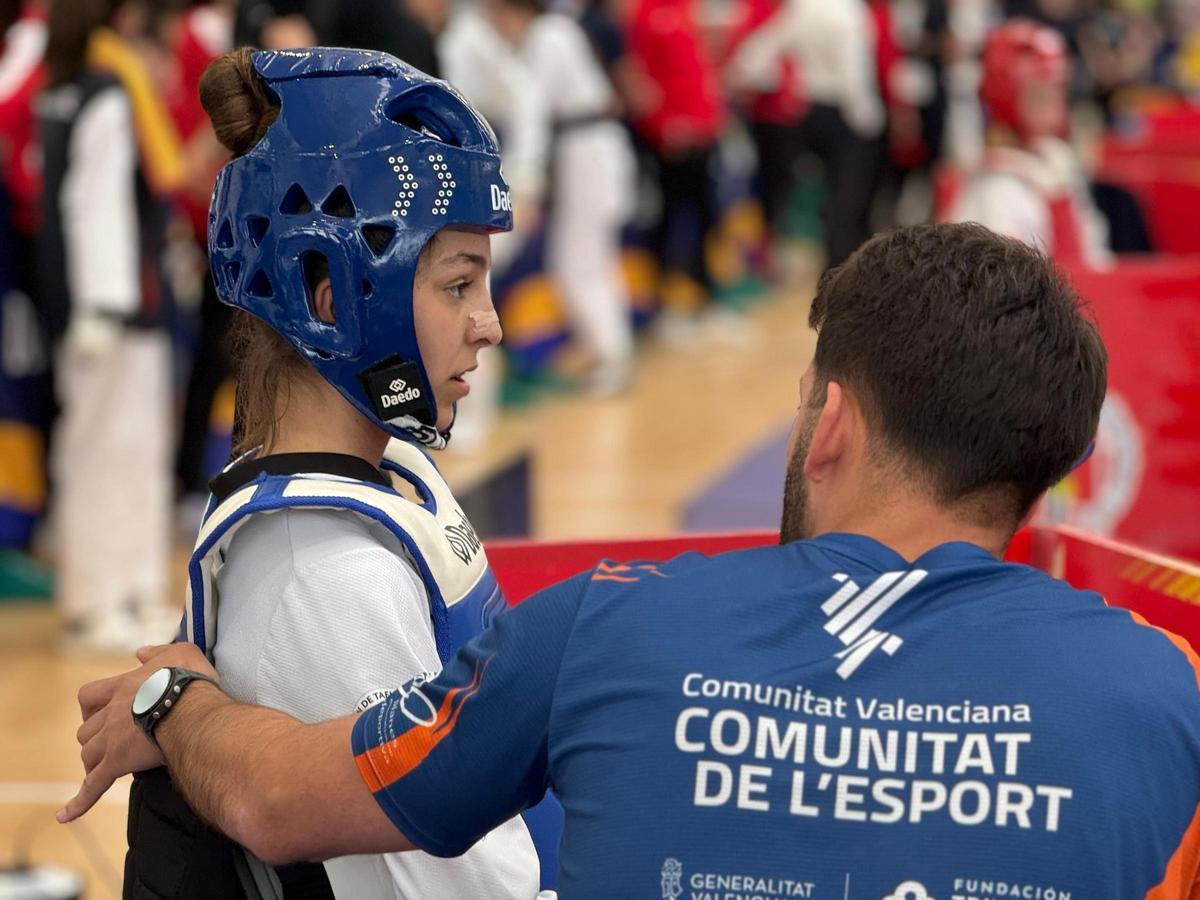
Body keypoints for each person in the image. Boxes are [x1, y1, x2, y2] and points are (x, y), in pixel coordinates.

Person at [65, 224, 1200, 897]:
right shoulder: (1164, 690)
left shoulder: (605, 628)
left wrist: (174, 695)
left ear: (835, 421)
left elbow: (269, 795)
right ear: (1045, 472)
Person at [120, 46, 544, 897]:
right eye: (459, 286)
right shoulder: (324, 574)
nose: (489, 324)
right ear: (331, 293)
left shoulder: (398, 471)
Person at [37, 0, 182, 649]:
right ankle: (96, 600)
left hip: (104, 306)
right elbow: (92, 207)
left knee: (129, 450)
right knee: (104, 452)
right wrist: (105, 305)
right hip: (112, 310)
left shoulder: (64, 87)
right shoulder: (104, 92)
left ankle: (131, 589)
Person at [484, 0, 636, 394]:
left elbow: (531, 108)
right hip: (586, 150)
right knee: (590, 260)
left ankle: (612, 358)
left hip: (587, 151)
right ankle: (610, 354)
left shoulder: (547, 35)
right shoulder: (553, 32)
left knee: (578, 263)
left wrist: (526, 181)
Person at [946, 19, 1110, 267]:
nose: (1054, 114)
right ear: (1006, 100)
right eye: (1039, 98)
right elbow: (1003, 289)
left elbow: (1095, 256)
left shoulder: (1058, 163)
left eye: (1058, 94)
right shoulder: (997, 186)